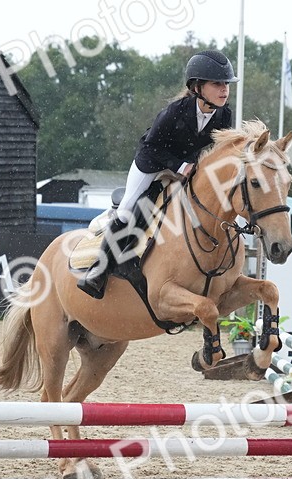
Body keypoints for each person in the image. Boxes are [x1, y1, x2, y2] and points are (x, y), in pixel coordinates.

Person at [77, 49, 239, 298]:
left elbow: (220, 150)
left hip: (186, 168)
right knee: (128, 208)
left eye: (226, 84)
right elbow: (151, 146)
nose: (224, 89)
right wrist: (179, 166)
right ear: (197, 87)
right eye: (217, 84)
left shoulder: (224, 114)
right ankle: (98, 271)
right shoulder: (175, 111)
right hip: (152, 163)